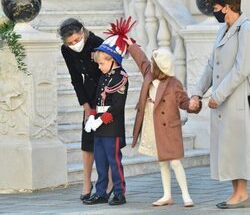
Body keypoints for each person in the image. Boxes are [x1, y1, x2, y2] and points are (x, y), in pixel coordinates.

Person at [190, 0, 250, 209]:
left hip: (237, 99)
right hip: (224, 101)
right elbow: (210, 65)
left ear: (228, 7)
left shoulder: (246, 29)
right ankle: (237, 192)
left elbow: (241, 69)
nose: (214, 13)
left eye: (216, 9)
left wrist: (218, 94)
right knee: (228, 147)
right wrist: (197, 92)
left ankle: (242, 193)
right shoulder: (223, 30)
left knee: (237, 147)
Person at [124, 36, 201, 207]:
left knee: (174, 161)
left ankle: (186, 195)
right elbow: (141, 61)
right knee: (162, 161)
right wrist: (131, 46)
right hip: (153, 124)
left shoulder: (174, 84)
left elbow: (183, 102)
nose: (150, 64)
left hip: (168, 127)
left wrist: (193, 105)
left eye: (154, 63)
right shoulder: (149, 75)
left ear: (161, 66)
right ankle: (167, 195)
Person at [83, 17, 135, 206]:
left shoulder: (120, 77)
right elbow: (97, 101)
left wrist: (100, 120)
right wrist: (91, 118)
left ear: (113, 60)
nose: (99, 67)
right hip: (99, 125)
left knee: (114, 161)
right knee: (100, 161)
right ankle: (101, 192)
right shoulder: (105, 76)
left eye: (101, 64)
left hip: (111, 127)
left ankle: (120, 192)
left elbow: (117, 106)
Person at [58, 18, 113, 201]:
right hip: (88, 94)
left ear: (83, 32)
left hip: (104, 92)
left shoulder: (97, 43)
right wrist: (86, 107)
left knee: (106, 140)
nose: (74, 44)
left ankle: (111, 183)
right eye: (70, 42)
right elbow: (75, 78)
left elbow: (109, 71)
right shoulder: (66, 50)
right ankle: (87, 183)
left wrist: (102, 104)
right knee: (87, 140)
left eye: (77, 39)